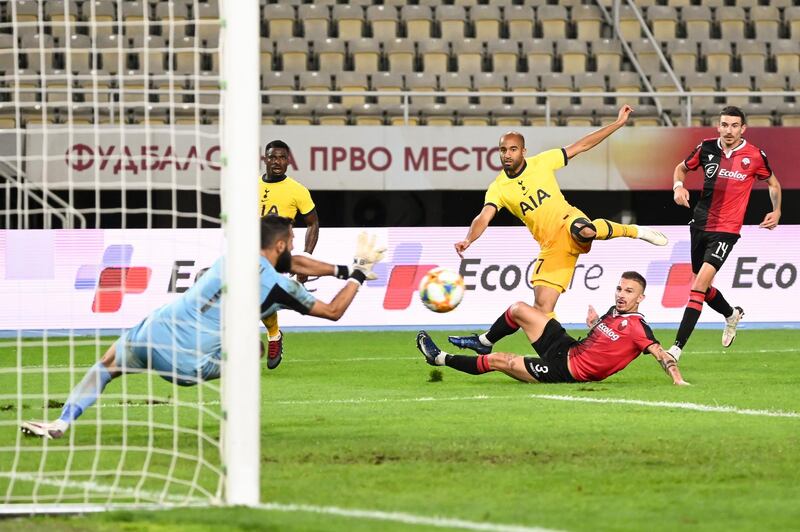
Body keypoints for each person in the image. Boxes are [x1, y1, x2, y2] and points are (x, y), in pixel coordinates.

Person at [20, 216, 384, 440]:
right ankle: (240, 432)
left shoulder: (234, 255)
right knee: (252, 350)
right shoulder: (280, 287)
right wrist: (358, 273)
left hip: (153, 330)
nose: (291, 245)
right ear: (279, 244)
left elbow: (293, 260)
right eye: (289, 240)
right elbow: (334, 310)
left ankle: (62, 422)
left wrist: (339, 268)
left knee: (106, 366)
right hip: (188, 361)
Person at [449, 105, 668, 356]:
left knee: (584, 230)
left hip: (569, 222)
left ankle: (635, 231)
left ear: (523, 151)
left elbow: (582, 145)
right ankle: (498, 344)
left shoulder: (541, 162)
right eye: (503, 150)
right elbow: (484, 216)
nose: (507, 154)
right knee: (541, 309)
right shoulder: (498, 188)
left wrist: (617, 124)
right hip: (552, 248)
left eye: (513, 149)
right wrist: (469, 239)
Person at [417, 272, 689, 386]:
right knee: (519, 309)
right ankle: (484, 340)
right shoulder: (613, 313)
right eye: (619, 288)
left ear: (640, 298)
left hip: (567, 371)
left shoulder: (639, 328)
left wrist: (676, 378)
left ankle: (439, 358)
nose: (621, 294)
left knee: (502, 361)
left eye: (629, 291)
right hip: (568, 347)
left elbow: (660, 353)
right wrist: (594, 324)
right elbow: (604, 342)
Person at [667, 106, 782, 360]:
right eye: (724, 125)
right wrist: (678, 187)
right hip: (699, 224)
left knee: (697, 287)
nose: (728, 130)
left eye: (734, 126)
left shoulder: (754, 155)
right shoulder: (706, 147)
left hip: (727, 230)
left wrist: (777, 211)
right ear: (718, 126)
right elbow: (681, 168)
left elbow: (773, 183)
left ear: (743, 129)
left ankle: (675, 350)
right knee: (703, 286)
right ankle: (731, 314)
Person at [259, 140, 321, 370]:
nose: (277, 162)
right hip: (249, 250)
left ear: (288, 161)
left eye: (282, 158)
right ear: (265, 159)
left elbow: (313, 223)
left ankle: (274, 336)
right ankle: (273, 335)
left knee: (260, 292)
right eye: (273, 157)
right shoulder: (249, 186)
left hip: (277, 253)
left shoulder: (297, 190)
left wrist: (306, 257)